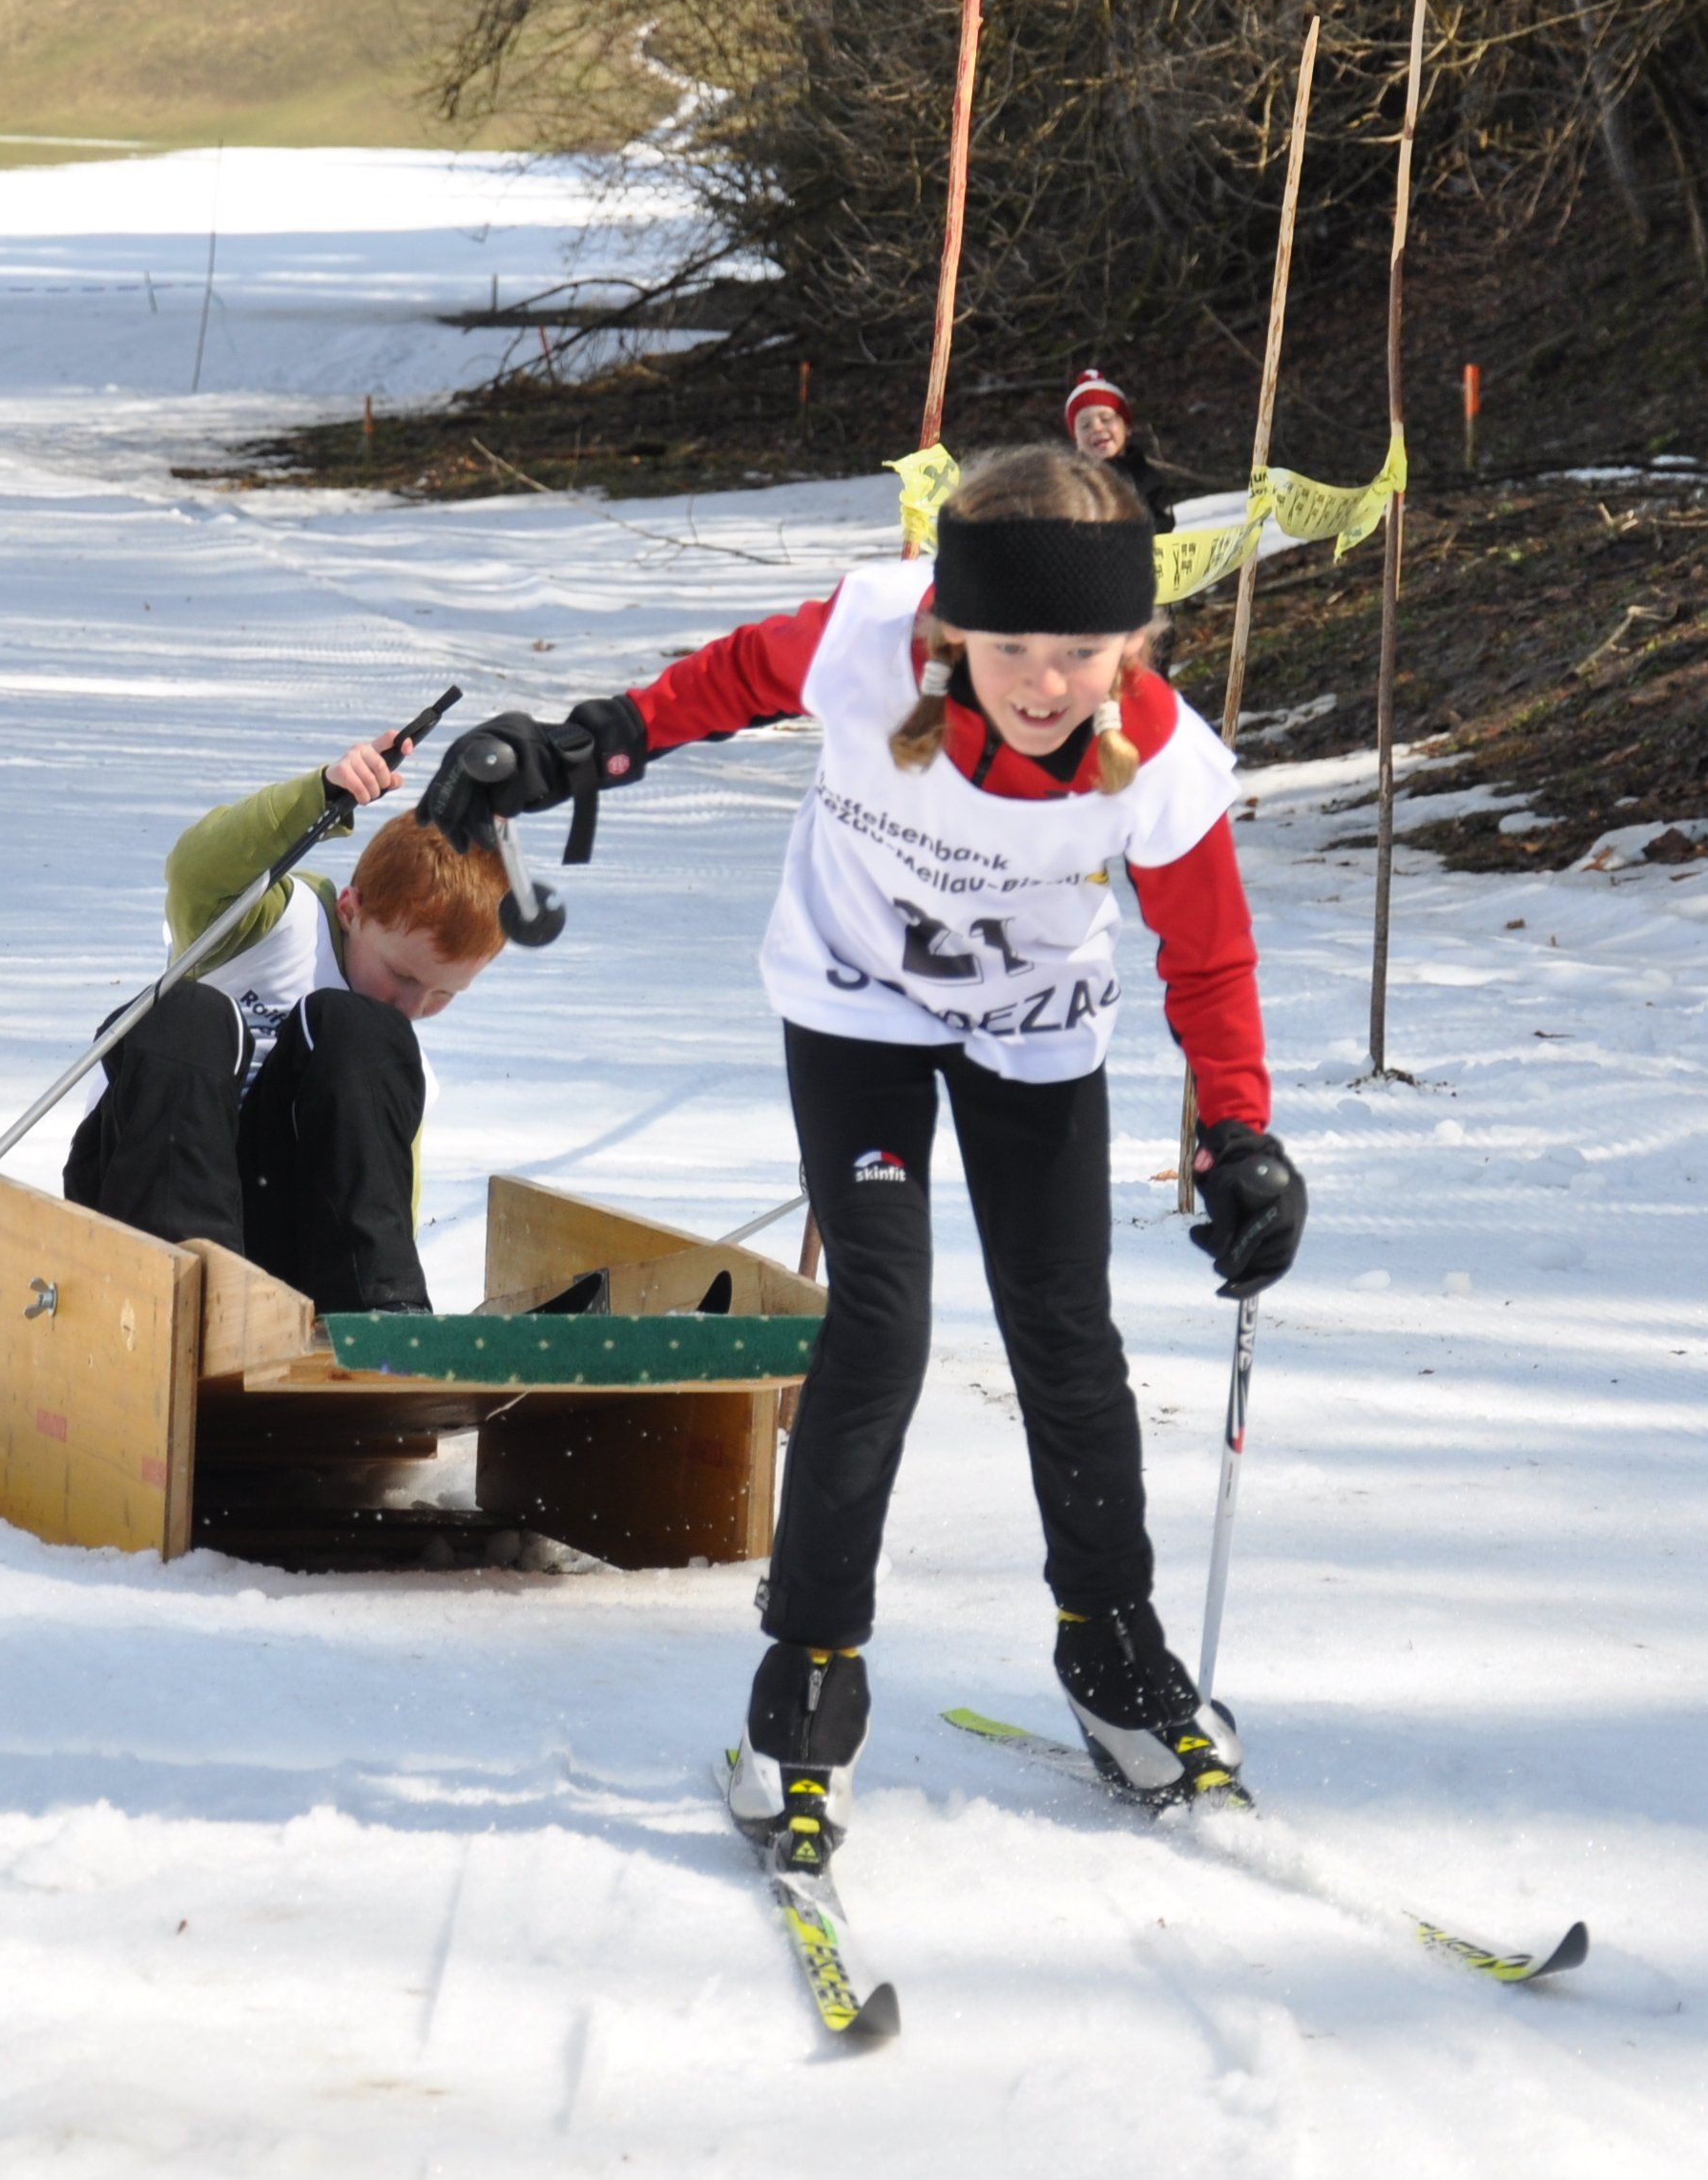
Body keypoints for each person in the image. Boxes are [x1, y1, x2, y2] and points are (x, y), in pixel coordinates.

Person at [416, 442, 1309, 1871]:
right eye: (1009, 648)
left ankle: (1112, 1655)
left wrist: (1242, 1135)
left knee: (1064, 1334)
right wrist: (580, 748)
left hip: (1034, 1034)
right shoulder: (868, 643)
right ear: (952, 629)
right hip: (857, 1011)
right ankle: (807, 1686)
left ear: (1133, 644)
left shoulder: (1162, 758)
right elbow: (720, 685)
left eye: (1081, 653)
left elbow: (1209, 959)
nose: (1044, 683)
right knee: (881, 1325)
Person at [63, 734, 510, 1312]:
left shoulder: (385, 1062)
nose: (413, 1006)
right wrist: (317, 796)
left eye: (443, 994)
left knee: (361, 1031)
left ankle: (378, 1322)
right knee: (189, 1013)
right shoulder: (267, 924)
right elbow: (195, 871)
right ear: (350, 910)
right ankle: (178, 1295)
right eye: (401, 976)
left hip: (275, 1245)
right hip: (144, 1187)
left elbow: (381, 1207)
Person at [1063, 368, 1166, 523]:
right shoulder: (1071, 485)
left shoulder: (1147, 477)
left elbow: (1163, 524)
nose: (1097, 428)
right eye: (1085, 426)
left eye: (1105, 419)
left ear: (1127, 427)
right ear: (1076, 440)